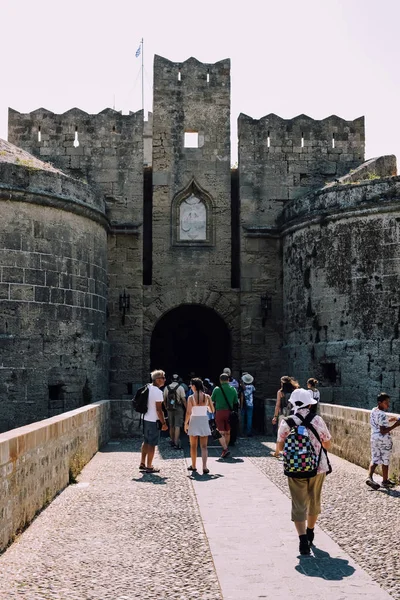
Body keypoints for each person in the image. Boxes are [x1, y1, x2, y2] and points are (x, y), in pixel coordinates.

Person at [276, 388, 332, 555]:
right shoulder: (317, 420)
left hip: (295, 468)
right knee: (314, 500)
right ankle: (310, 531)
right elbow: (327, 444)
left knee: (298, 503)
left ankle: (302, 541)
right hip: (317, 467)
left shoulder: (286, 422)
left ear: (292, 403)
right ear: (309, 403)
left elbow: (279, 446)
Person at [366, 392, 400, 490]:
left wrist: (390, 419)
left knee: (375, 459)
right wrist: (396, 425)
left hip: (374, 438)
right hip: (383, 440)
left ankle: (369, 477)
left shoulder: (373, 410)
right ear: (380, 402)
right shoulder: (383, 414)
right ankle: (385, 481)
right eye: (386, 402)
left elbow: (379, 422)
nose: (388, 404)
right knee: (385, 460)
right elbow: (383, 430)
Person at [140, 369, 168, 473]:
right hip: (153, 420)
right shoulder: (158, 392)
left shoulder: (148, 388)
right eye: (163, 378)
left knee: (146, 441)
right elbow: (159, 410)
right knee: (152, 443)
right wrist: (164, 423)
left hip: (145, 418)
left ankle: (142, 463)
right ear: (157, 380)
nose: (164, 380)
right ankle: (149, 466)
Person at [184, 378, 214, 474]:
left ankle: (193, 465)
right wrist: (207, 407)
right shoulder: (207, 397)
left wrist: (186, 423)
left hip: (194, 420)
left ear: (194, 386)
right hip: (203, 420)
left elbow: (188, 412)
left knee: (193, 446)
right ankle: (204, 466)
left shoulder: (191, 398)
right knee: (204, 446)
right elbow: (212, 410)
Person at [212, 372, 239, 457]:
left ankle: (225, 449)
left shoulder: (216, 389)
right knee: (228, 432)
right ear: (228, 380)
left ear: (220, 380)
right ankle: (226, 447)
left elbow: (212, 399)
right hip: (229, 412)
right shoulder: (233, 389)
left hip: (219, 412)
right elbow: (235, 401)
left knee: (220, 432)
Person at [163, 373, 187, 449]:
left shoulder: (166, 388)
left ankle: (172, 441)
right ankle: (176, 443)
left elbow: (164, 399)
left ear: (171, 379)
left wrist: (166, 407)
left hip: (169, 408)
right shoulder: (181, 388)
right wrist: (187, 408)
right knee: (177, 426)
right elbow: (183, 400)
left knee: (171, 425)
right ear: (179, 379)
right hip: (178, 408)